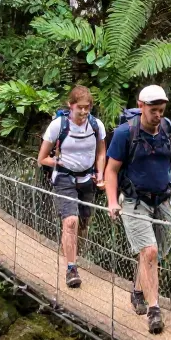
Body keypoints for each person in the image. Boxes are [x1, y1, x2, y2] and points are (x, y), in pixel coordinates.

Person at [105, 84, 171, 334]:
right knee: (150, 251)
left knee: (155, 255)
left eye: (162, 110)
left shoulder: (169, 129)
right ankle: (154, 310)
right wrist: (112, 201)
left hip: (163, 199)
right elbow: (111, 171)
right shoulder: (126, 133)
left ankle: (137, 291)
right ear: (141, 106)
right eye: (154, 110)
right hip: (135, 201)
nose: (158, 115)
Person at [37, 85, 107, 289]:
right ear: (71, 105)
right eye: (80, 108)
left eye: (88, 107)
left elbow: (101, 152)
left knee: (83, 223)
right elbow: (42, 158)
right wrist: (59, 162)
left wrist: (100, 174)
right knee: (70, 221)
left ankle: (71, 252)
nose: (84, 112)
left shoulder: (96, 125)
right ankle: (71, 268)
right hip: (64, 178)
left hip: (87, 179)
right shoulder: (58, 126)